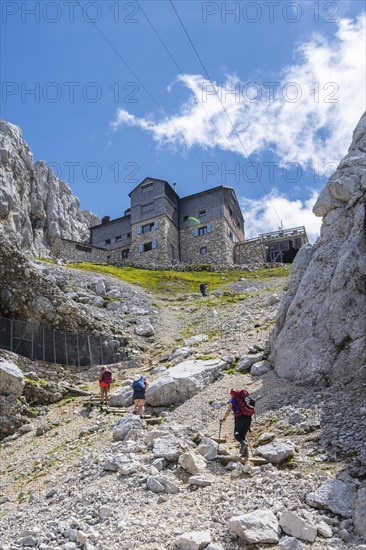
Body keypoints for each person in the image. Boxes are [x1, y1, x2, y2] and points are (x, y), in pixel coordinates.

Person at [220, 388, 255, 457]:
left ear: (232, 394)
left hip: (240, 418)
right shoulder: (243, 399)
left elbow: (229, 410)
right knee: (242, 435)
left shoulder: (232, 400)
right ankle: (245, 454)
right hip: (248, 417)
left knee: (237, 435)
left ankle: (244, 444)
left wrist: (224, 418)